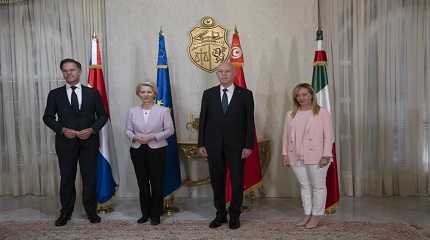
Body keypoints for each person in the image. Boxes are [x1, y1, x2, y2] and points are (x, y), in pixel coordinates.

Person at [43, 58, 108, 226]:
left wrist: (93, 129)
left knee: (89, 178)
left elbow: (103, 116)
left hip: (89, 143)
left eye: (71, 70)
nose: (68, 73)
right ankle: (65, 212)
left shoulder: (92, 93)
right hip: (65, 143)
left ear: (79, 72)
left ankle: (91, 212)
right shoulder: (54, 94)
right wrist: (62, 130)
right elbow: (47, 117)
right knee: (67, 178)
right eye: (65, 70)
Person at [198, 62, 255, 230]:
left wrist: (248, 145)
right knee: (217, 181)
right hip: (213, 145)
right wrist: (201, 143)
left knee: (237, 182)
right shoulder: (208, 94)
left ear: (234, 73)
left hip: (238, 147)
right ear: (217, 74)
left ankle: (235, 215)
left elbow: (249, 122)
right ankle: (220, 214)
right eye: (220, 72)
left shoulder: (245, 94)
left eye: (227, 71)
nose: (223, 74)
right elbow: (203, 120)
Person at [281, 83, 334, 229]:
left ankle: (316, 215)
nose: (301, 98)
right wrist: (285, 154)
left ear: (311, 95)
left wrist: (326, 155)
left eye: (304, 94)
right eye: (298, 95)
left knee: (318, 187)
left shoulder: (321, 112)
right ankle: (307, 213)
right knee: (304, 186)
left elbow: (328, 135)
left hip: (318, 156)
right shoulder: (291, 114)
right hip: (295, 156)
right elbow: (285, 135)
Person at [125, 82, 174, 225]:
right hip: (137, 149)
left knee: (157, 183)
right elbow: (127, 130)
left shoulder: (163, 111)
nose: (146, 95)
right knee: (142, 183)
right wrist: (135, 137)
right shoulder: (132, 111)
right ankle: (145, 214)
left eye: (149, 92)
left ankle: (156, 214)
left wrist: (152, 137)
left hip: (157, 149)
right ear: (138, 94)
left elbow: (170, 130)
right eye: (142, 92)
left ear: (154, 94)